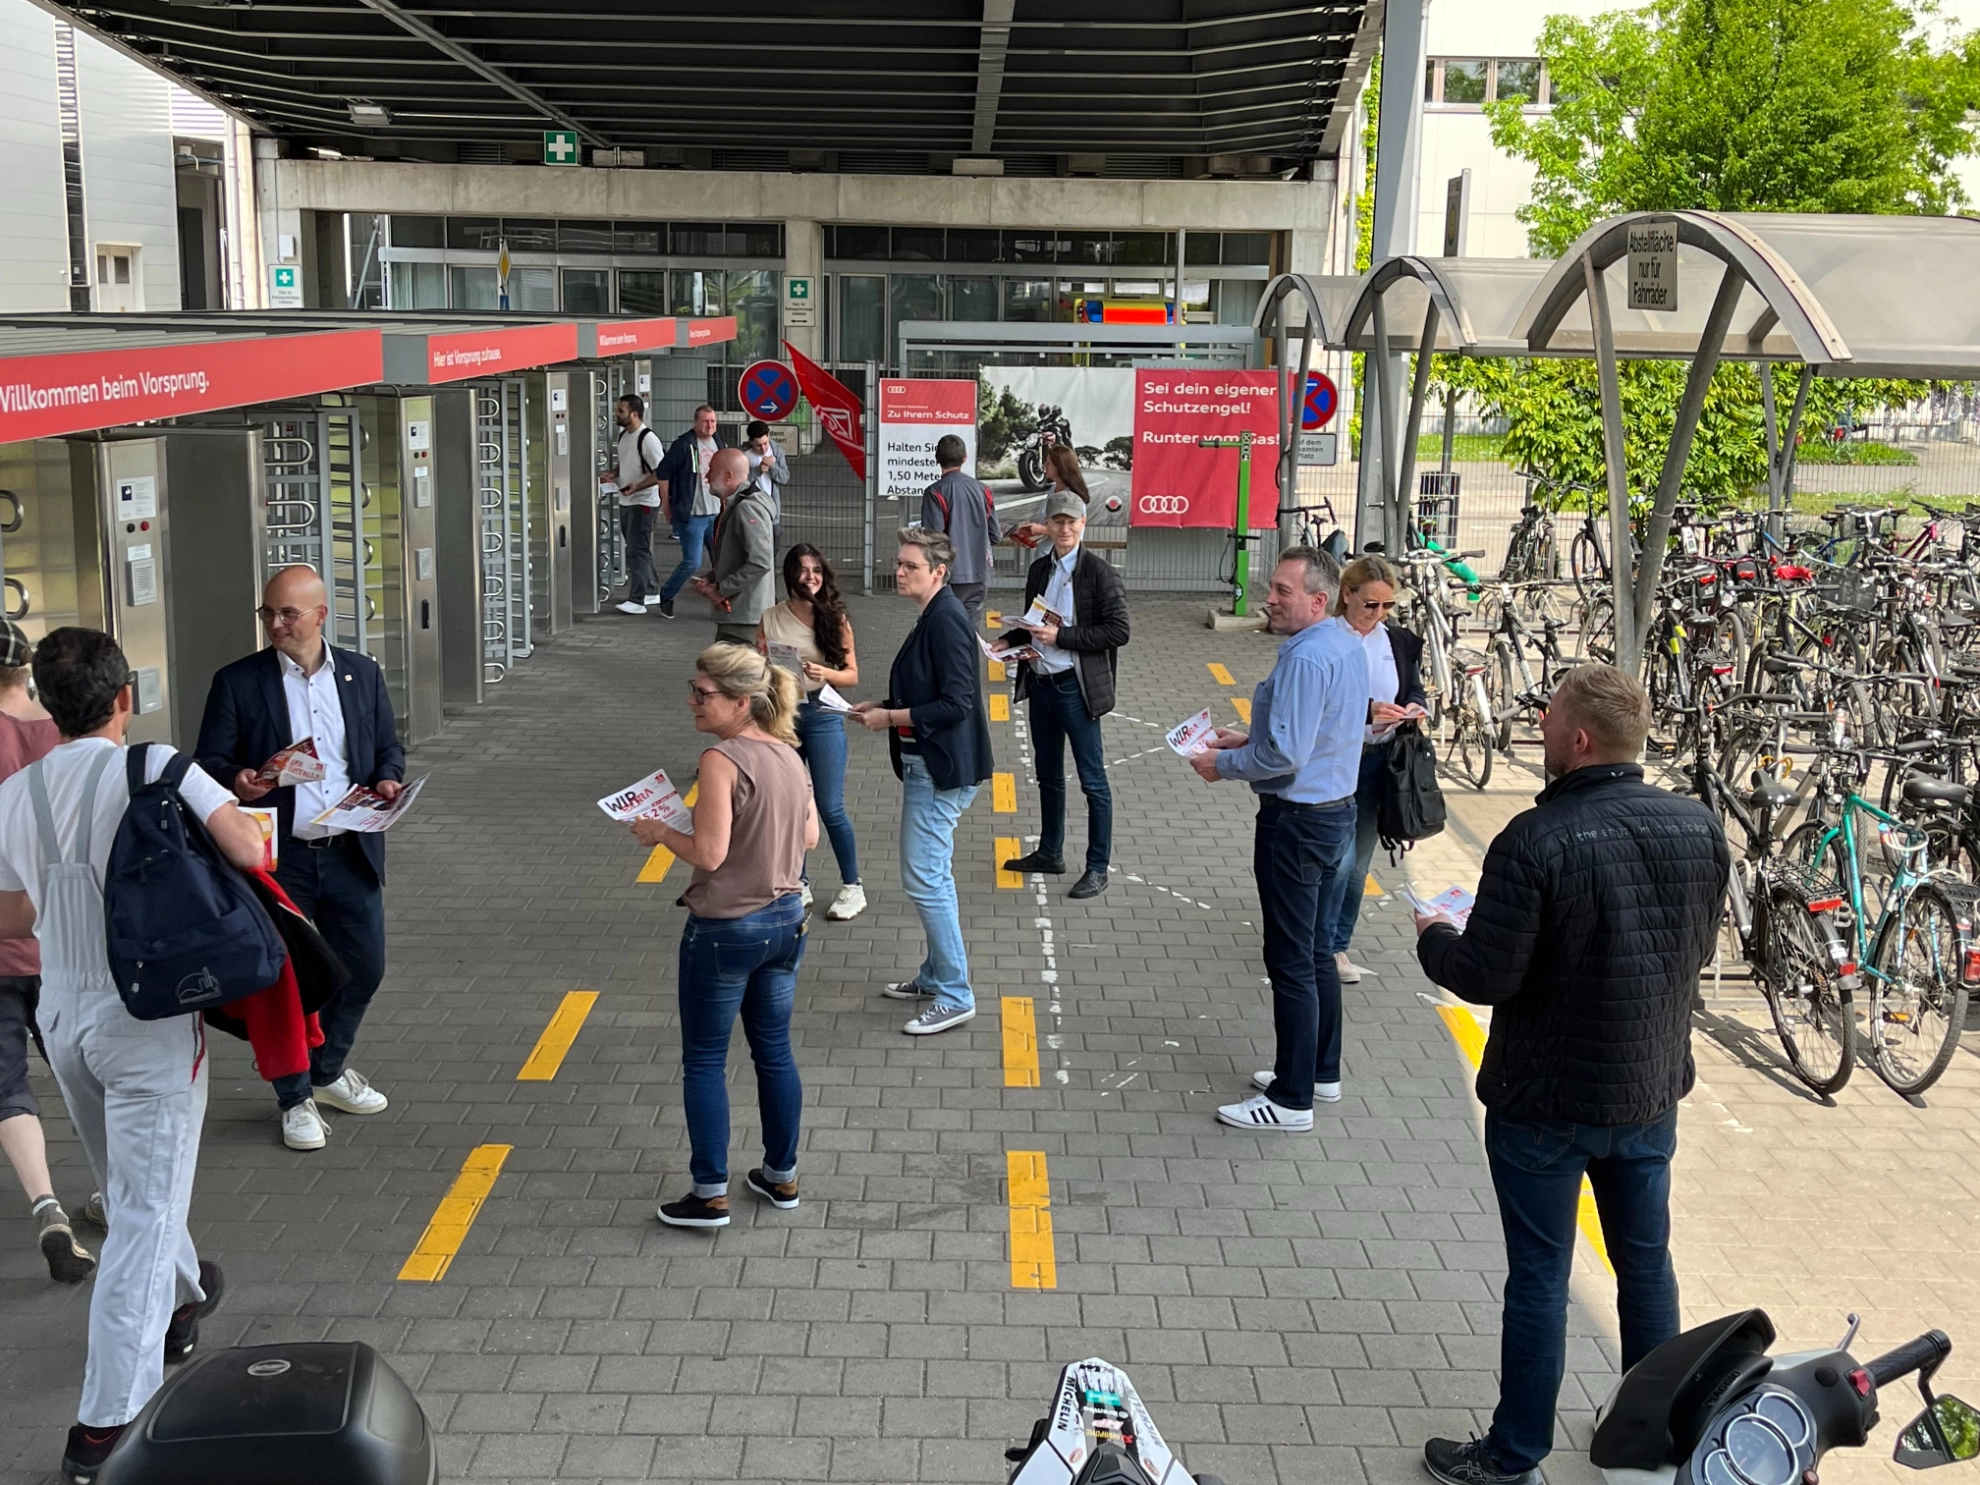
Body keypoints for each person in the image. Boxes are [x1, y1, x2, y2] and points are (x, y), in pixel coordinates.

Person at [1412, 665, 1729, 1485]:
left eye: (1548, 717)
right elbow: (1692, 953)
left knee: (1542, 1278)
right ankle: (1653, 1436)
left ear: (1578, 738)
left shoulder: (1536, 837)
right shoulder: (1700, 827)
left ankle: (1513, 1452)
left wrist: (1435, 932)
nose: (1540, 727)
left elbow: (1487, 974)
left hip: (1544, 1100)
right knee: (1646, 1262)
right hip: (1648, 1090)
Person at [0, 627, 266, 1484]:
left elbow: (11, 915)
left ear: (45, 702)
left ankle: (188, 1297)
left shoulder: (16, 793)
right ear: (125, 698)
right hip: (149, 1018)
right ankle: (104, 1427)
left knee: (128, 1185)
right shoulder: (160, 767)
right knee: (141, 1218)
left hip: (63, 1016)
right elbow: (247, 849)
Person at [196, 564, 407, 1152]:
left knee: (364, 967)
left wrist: (388, 781)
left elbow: (387, 746)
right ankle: (294, 1099)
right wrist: (237, 778)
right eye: (268, 612)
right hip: (276, 856)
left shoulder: (361, 674)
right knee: (284, 985)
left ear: (321, 615)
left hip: (350, 847)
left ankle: (326, 1068)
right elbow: (207, 761)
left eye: (288, 613)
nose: (275, 624)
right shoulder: (239, 681)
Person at [633, 645, 818, 1230]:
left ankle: (710, 1192)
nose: (692, 701)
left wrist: (661, 830)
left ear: (742, 701)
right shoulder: (789, 752)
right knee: (774, 1052)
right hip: (787, 923)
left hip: (725, 930)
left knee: (706, 1061)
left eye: (703, 694)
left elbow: (711, 855)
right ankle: (781, 1175)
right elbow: (809, 836)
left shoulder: (721, 757)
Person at [1189, 547, 1366, 1131]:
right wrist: (1246, 738)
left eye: (1282, 591)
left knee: (1289, 959)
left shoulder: (1306, 659)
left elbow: (1285, 757)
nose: (1269, 598)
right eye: (1272, 588)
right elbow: (1316, 733)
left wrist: (1226, 764)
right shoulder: (1344, 643)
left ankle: (1291, 1101)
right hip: (1334, 812)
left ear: (1318, 600)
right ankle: (1320, 1071)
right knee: (1316, 951)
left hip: (1297, 824)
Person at [852, 529, 991, 1035]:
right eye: (899, 562)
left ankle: (956, 994)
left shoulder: (947, 620)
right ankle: (935, 975)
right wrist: (883, 706)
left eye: (910, 565)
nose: (900, 571)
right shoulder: (934, 615)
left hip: (939, 770)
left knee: (924, 878)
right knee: (933, 875)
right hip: (928, 764)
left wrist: (890, 720)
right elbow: (929, 690)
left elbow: (957, 703)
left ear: (938, 573)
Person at [0, 619, 95, 1283]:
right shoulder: (59, 732)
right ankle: (116, 1193)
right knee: (84, 1075)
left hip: (2, 944)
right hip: (65, 946)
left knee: (8, 1085)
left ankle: (47, 1205)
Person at [994, 491, 1130, 900]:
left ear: (1083, 523)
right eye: (1057, 521)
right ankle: (1050, 852)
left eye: (1072, 521)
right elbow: (1035, 623)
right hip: (1041, 684)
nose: (1065, 528)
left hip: (1076, 688)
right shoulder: (1040, 569)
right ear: (1047, 526)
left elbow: (1118, 631)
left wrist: (1063, 637)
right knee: (1048, 775)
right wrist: (1008, 640)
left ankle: (1096, 867)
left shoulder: (1098, 573)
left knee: (1093, 781)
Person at [1327, 555, 1426, 984]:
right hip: (1334, 761)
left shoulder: (1399, 641)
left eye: (1387, 606)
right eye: (1370, 604)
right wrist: (1366, 713)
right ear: (1346, 595)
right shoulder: (1326, 639)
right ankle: (1316, 939)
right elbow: (1319, 701)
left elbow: (1413, 685)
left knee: (1358, 863)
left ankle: (1335, 945)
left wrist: (1416, 707)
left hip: (1379, 762)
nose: (1378, 615)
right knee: (1335, 857)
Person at [759, 545, 865, 921]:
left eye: (816, 569)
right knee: (790, 804)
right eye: (803, 570)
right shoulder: (770, 617)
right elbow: (760, 669)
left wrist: (827, 675)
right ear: (789, 575)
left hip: (822, 715)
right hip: (784, 718)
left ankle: (853, 886)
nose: (811, 577)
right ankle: (798, 882)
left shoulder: (834, 618)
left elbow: (852, 676)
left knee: (829, 806)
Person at [691, 448, 777, 647]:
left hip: (743, 617)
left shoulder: (746, 508)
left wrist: (721, 589)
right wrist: (712, 578)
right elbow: (740, 557)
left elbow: (760, 562)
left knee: (732, 673)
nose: (707, 476)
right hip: (741, 614)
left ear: (728, 476)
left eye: (711, 470)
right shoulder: (742, 504)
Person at [653, 404, 728, 619]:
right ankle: (666, 595)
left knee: (722, 560)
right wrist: (666, 505)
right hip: (692, 515)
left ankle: (721, 600)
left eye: (713, 421)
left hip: (715, 513)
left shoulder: (718, 442)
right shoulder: (684, 445)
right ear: (695, 422)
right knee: (692, 561)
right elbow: (663, 473)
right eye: (705, 421)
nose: (710, 425)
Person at [919, 434, 1000, 628]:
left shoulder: (935, 492)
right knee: (969, 632)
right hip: (979, 573)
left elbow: (933, 540)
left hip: (948, 576)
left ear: (936, 459)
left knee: (945, 631)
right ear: (965, 458)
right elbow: (995, 534)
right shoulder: (983, 490)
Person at [603, 393, 667, 616]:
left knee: (635, 550)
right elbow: (627, 460)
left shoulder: (648, 439)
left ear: (634, 414)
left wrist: (637, 487)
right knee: (638, 547)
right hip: (627, 499)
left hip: (643, 502)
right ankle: (651, 590)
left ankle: (637, 599)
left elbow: (661, 470)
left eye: (620, 411)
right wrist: (614, 474)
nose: (616, 414)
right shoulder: (624, 435)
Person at [1011, 444, 1089, 547]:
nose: (1044, 465)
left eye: (1049, 463)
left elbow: (1068, 529)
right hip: (1047, 556)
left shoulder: (1072, 496)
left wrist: (1041, 530)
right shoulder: (1053, 489)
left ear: (1059, 466)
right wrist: (1030, 531)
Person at [744, 419, 790, 551]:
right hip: (752, 507)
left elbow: (785, 477)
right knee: (755, 546)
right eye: (758, 445)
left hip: (772, 505)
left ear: (769, 436)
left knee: (774, 545)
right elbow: (740, 482)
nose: (763, 448)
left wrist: (772, 467)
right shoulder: (743, 455)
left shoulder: (776, 451)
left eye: (765, 443)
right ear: (751, 442)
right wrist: (757, 471)